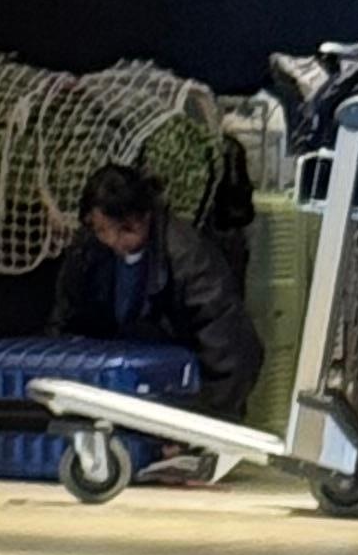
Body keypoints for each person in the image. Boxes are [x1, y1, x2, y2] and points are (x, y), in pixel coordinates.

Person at [53, 163, 263, 421]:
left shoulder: (190, 260)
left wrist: (200, 422)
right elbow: (66, 321)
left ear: (145, 217)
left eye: (125, 230)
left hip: (181, 401)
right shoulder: (89, 253)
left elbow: (233, 353)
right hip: (112, 395)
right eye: (101, 230)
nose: (114, 241)